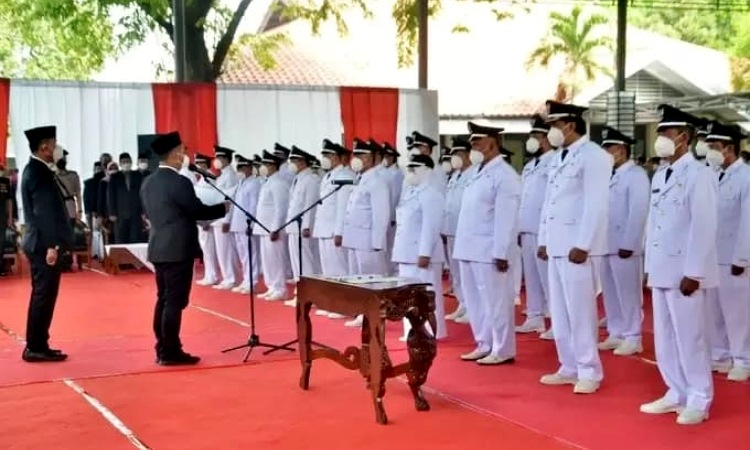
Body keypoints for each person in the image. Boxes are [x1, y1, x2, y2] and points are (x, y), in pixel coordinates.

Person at [640, 104, 718, 425]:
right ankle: (676, 391)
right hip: (662, 267)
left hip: (685, 271)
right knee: (665, 338)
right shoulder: (661, 173)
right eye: (659, 132)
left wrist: (694, 271)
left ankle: (699, 398)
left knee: (690, 337)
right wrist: (649, 264)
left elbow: (703, 226)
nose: (660, 138)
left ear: (684, 137)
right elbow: (654, 222)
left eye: (666, 132)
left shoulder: (699, 175)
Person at [537, 100, 612, 394]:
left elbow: (596, 203)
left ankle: (589, 369)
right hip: (557, 244)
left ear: (570, 125)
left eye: (555, 125)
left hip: (578, 247)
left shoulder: (594, 155)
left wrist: (584, 243)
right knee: (560, 311)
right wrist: (544, 238)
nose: (551, 131)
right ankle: (568, 365)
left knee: (581, 311)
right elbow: (550, 202)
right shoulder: (559, 157)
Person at [140, 131, 228, 365]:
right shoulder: (179, 182)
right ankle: (170, 351)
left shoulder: (148, 182)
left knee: (163, 299)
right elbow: (196, 210)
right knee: (174, 301)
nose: (184, 156)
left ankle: (162, 346)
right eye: (182, 152)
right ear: (174, 154)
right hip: (178, 249)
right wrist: (222, 208)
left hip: (159, 247)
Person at [454, 121, 521, 366]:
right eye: (472, 143)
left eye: (478, 142)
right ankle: (484, 343)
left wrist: (501, 252)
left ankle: (502, 348)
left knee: (496, 302)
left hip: (489, 250)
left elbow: (506, 218)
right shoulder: (475, 173)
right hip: (469, 247)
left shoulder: (505, 175)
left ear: (493, 144)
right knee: (475, 302)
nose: (473, 147)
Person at [20, 125, 73, 362]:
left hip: (41, 242)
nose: (56, 148)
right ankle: (35, 346)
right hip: (43, 245)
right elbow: (43, 213)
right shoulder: (38, 172)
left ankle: (40, 342)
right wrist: (52, 245)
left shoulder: (38, 169)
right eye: (53, 144)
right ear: (44, 148)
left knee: (45, 295)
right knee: (43, 296)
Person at [703, 121, 750, 382]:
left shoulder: (746, 177)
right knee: (714, 311)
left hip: (734, 257)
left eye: (714, 146)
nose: (710, 151)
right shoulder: (712, 175)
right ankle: (720, 354)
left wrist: (742, 257)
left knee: (738, 312)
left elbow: (748, 221)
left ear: (729, 148)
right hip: (713, 255)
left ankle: (743, 359)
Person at [598, 127, 650, 356]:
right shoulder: (610, 175)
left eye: (610, 148)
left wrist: (630, 243)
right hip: (606, 242)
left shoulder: (636, 175)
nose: (607, 153)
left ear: (622, 149)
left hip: (624, 246)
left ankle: (633, 336)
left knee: (628, 293)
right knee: (610, 292)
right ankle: (616, 331)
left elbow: (638, 211)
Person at [393, 154, 446, 340]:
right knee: (408, 294)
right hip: (407, 252)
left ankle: (431, 331)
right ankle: (412, 330)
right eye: (410, 168)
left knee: (427, 294)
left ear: (427, 170)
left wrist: (425, 253)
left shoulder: (431, 195)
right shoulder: (410, 193)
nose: (411, 171)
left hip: (422, 254)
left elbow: (430, 226)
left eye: (415, 168)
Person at [341, 138, 391, 328]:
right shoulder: (362, 179)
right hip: (355, 238)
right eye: (356, 155)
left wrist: (378, 242)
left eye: (361, 155)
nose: (357, 158)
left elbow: (381, 214)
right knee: (358, 278)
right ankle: (363, 313)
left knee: (372, 279)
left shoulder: (377, 181)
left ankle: (375, 315)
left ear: (371, 158)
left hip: (368, 239)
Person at [516, 114, 555, 338]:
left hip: (544, 228)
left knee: (548, 278)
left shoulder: (554, 162)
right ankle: (534, 316)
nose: (533, 140)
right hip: (527, 226)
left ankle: (556, 320)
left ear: (547, 138)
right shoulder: (530, 165)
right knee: (531, 276)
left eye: (537, 135)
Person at [313, 139, 354, 319]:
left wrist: (339, 231)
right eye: (324, 155)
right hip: (323, 228)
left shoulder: (345, 175)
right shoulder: (328, 176)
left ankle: (344, 305)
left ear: (337, 157)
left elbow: (342, 207)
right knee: (328, 269)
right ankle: (332, 303)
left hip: (333, 230)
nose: (325, 158)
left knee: (339, 269)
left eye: (328, 155)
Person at [284, 145, 321, 307]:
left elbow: (310, 205)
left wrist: (307, 226)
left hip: (302, 228)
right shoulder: (298, 178)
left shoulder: (311, 179)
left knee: (305, 262)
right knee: (297, 263)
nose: (291, 164)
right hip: (293, 226)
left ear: (302, 162)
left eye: (294, 160)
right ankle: (301, 294)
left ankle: (310, 296)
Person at [442, 137, 472, 324]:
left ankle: (471, 306)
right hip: (452, 229)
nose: (455, 157)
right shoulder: (455, 176)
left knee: (466, 271)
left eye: (459, 153)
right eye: (454, 154)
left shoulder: (473, 175)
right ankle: (462, 303)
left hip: (465, 230)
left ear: (468, 155)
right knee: (456, 271)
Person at [255, 150, 292, 301]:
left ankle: (280, 288)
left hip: (272, 229)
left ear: (272, 166)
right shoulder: (268, 182)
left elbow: (281, 208)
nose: (262, 167)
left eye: (265, 164)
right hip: (264, 228)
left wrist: (276, 228)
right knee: (268, 260)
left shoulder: (279, 183)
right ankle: (271, 286)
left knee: (276, 259)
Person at [228, 156, 262, 295]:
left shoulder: (254, 183)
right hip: (237, 223)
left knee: (250, 254)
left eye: (242, 168)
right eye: (239, 168)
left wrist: (251, 224)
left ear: (249, 168)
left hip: (246, 223)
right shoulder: (241, 183)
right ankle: (246, 280)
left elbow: (253, 205)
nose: (240, 170)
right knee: (243, 254)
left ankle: (251, 282)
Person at [210, 146, 241, 290]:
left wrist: (227, 220)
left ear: (227, 159)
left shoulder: (230, 176)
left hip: (224, 218)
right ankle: (227, 277)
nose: (217, 160)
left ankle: (231, 278)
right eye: (216, 157)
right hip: (217, 217)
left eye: (220, 158)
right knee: (222, 251)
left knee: (227, 250)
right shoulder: (223, 175)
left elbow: (230, 199)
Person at [193, 154, 221, 286]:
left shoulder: (209, 178)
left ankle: (212, 275)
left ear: (204, 164)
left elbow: (212, 200)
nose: (197, 166)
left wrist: (207, 219)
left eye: (198, 163)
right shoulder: (202, 178)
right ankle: (209, 274)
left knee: (209, 248)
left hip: (207, 219)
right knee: (205, 248)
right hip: (201, 217)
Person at [107, 152, 146, 244]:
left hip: (136, 212)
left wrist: (144, 211)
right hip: (120, 214)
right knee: (121, 239)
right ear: (120, 164)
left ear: (131, 162)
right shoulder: (115, 177)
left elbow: (143, 194)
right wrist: (112, 213)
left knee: (136, 239)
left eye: (128, 161)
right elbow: (111, 196)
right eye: (124, 162)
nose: (126, 164)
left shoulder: (138, 175)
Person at [0, 164, 12, 276]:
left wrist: (10, 217)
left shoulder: (5, 181)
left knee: (1, 240)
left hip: (2, 214)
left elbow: (9, 200)